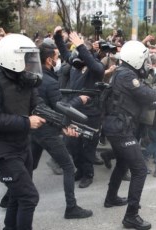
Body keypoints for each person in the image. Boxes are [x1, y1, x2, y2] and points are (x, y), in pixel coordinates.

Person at [0, 33, 75, 230]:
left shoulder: (25, 79)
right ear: (13, 58)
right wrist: (26, 122)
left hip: (22, 146)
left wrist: (63, 124)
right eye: (26, 58)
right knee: (29, 197)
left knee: (18, 194)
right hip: (2, 150)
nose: (31, 63)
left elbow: (38, 106)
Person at [101, 40, 156, 229]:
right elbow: (144, 93)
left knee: (123, 162)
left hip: (118, 125)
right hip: (120, 128)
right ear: (136, 59)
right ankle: (131, 216)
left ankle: (111, 197)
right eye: (144, 60)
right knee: (139, 169)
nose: (146, 64)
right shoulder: (126, 75)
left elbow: (136, 99)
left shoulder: (123, 72)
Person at [30, 42, 93, 219]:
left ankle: (9, 197)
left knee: (30, 165)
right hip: (46, 130)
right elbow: (60, 108)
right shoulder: (49, 81)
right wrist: (79, 100)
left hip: (34, 128)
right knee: (67, 166)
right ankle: (71, 207)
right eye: (56, 56)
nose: (58, 59)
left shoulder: (32, 76)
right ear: (49, 59)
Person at [53, 26, 105, 188]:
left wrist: (81, 46)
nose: (75, 55)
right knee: (71, 144)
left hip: (91, 113)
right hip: (74, 110)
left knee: (88, 146)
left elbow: (94, 64)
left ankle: (88, 174)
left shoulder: (96, 68)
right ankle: (80, 170)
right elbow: (65, 53)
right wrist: (58, 38)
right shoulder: (76, 65)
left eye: (79, 51)